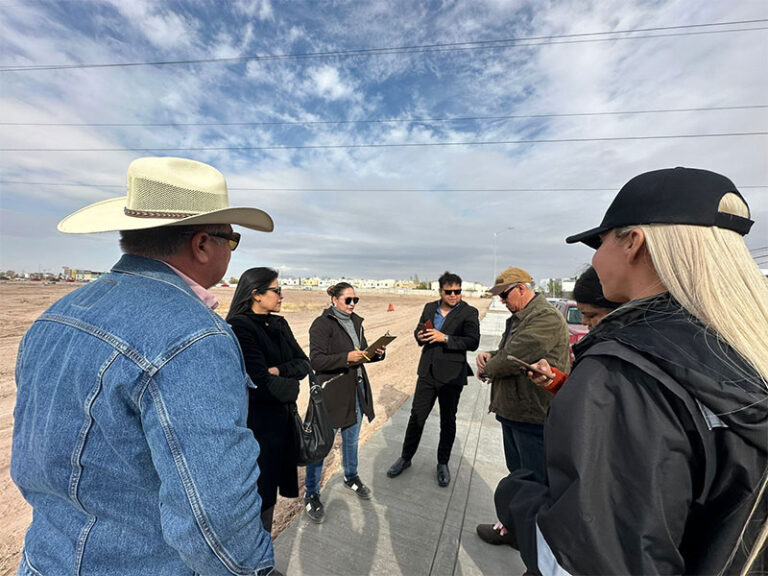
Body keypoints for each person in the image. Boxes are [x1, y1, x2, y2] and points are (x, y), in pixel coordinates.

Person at [11, 157, 279, 576]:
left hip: (43, 560)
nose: (231, 250)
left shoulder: (55, 315)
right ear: (204, 244)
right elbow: (215, 517)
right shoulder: (194, 336)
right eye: (233, 240)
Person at [495, 167, 768, 575]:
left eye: (600, 241)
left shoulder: (626, 373)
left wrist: (518, 497)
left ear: (633, 243)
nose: (594, 257)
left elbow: (585, 560)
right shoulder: (745, 349)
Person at [474, 266, 570, 548]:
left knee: (533, 484)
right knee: (520, 479)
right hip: (515, 412)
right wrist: (490, 356)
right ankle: (515, 531)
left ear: (521, 288)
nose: (502, 301)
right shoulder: (519, 317)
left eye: (504, 295)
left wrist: (487, 368)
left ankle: (532, 544)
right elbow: (507, 352)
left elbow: (516, 356)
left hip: (532, 415)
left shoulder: (544, 318)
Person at [226, 268, 309, 535]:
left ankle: (262, 560)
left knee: (269, 499)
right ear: (256, 294)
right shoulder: (240, 326)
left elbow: (304, 364)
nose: (282, 295)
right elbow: (259, 384)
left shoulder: (279, 324)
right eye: (276, 290)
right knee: (256, 500)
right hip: (257, 430)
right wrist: (290, 383)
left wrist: (278, 371)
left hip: (281, 427)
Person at [386, 271, 480, 487]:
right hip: (427, 373)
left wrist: (444, 337)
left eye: (457, 291)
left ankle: (442, 463)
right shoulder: (430, 308)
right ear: (440, 291)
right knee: (416, 417)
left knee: (448, 421)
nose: (454, 295)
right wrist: (419, 336)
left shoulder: (469, 312)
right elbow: (419, 331)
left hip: (451, 376)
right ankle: (405, 458)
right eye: (449, 292)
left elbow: (472, 341)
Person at [303, 283, 386, 522]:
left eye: (355, 300)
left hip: (356, 392)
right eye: (348, 300)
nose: (352, 304)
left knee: (351, 441)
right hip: (332, 394)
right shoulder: (322, 324)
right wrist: (346, 358)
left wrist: (376, 353)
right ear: (334, 300)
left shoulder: (356, 322)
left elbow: (363, 356)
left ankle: (351, 477)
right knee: (320, 447)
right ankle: (311, 494)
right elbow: (317, 361)